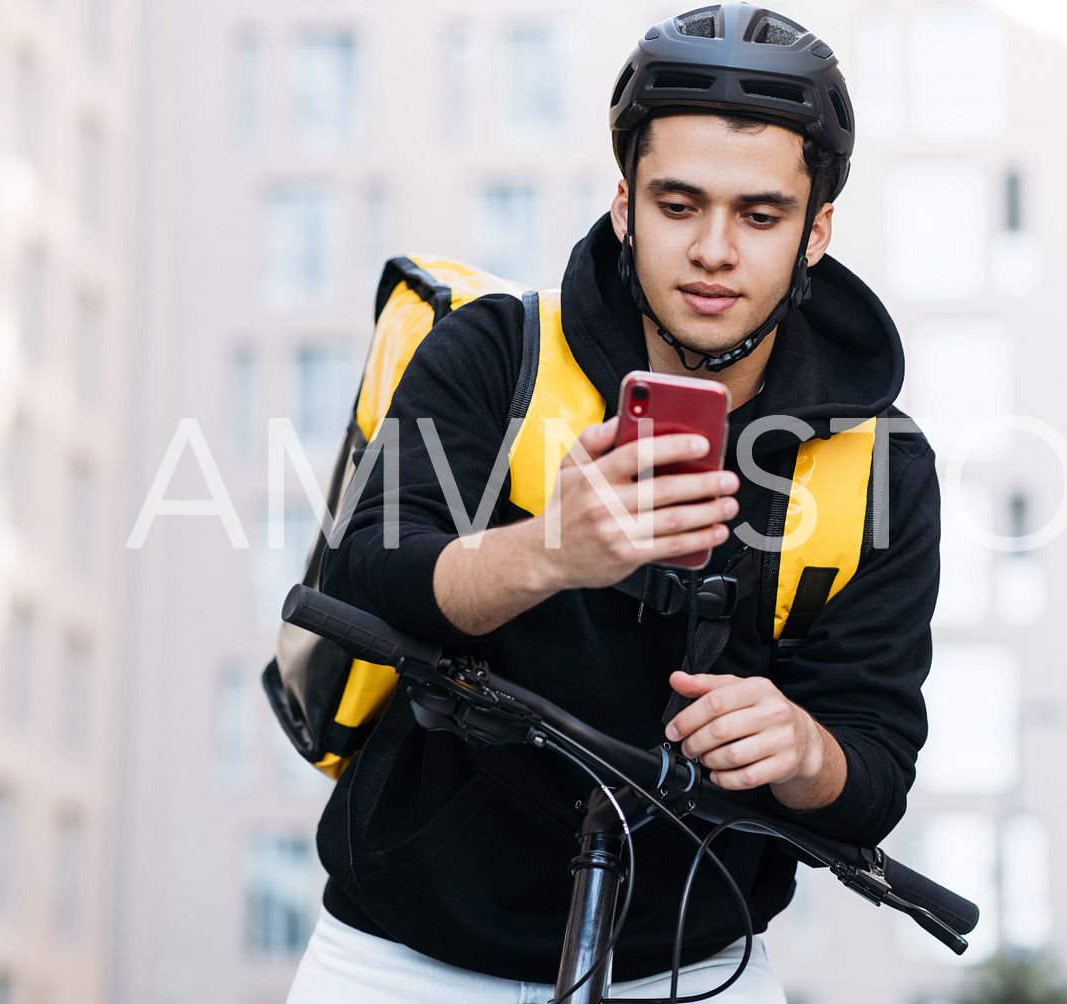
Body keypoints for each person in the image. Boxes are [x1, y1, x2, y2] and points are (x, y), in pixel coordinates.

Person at [288, 5, 941, 1002]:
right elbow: (364, 579)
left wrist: (802, 748)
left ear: (815, 233)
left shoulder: (880, 464)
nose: (713, 250)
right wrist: (549, 550)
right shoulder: (492, 350)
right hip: (397, 955)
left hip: (693, 968)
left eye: (759, 216)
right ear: (624, 206)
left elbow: (874, 765)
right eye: (677, 205)